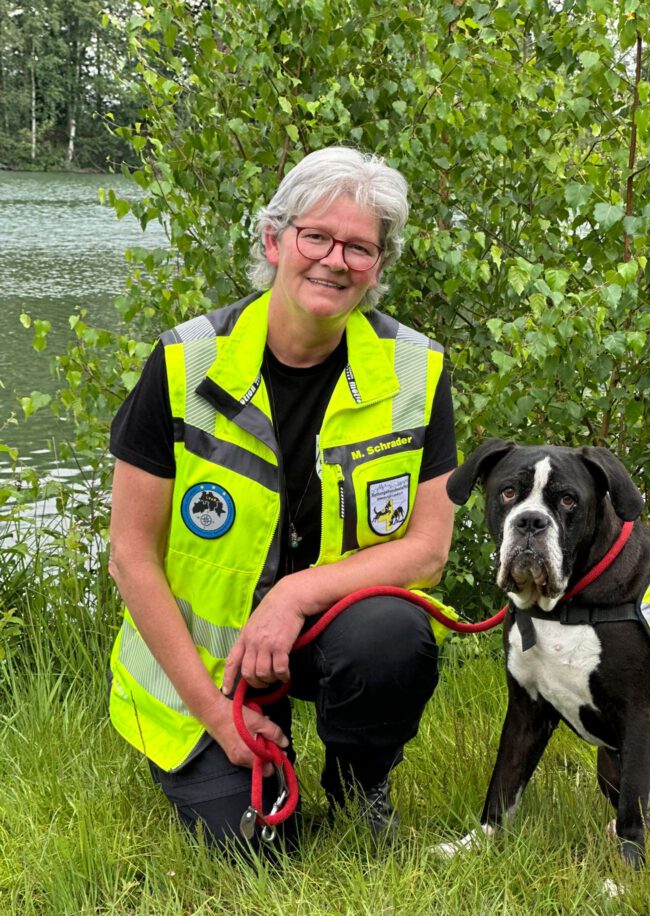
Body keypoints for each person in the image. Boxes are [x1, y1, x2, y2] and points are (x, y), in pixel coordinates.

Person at [107, 146, 457, 855]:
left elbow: (428, 549)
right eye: (316, 237)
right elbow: (130, 558)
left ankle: (360, 785)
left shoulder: (417, 369)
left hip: (323, 635)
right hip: (207, 674)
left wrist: (295, 594)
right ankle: (234, 749)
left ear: (379, 267)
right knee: (260, 851)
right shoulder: (184, 364)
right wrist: (214, 714)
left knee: (392, 636)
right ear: (274, 240)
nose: (335, 260)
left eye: (360, 247)